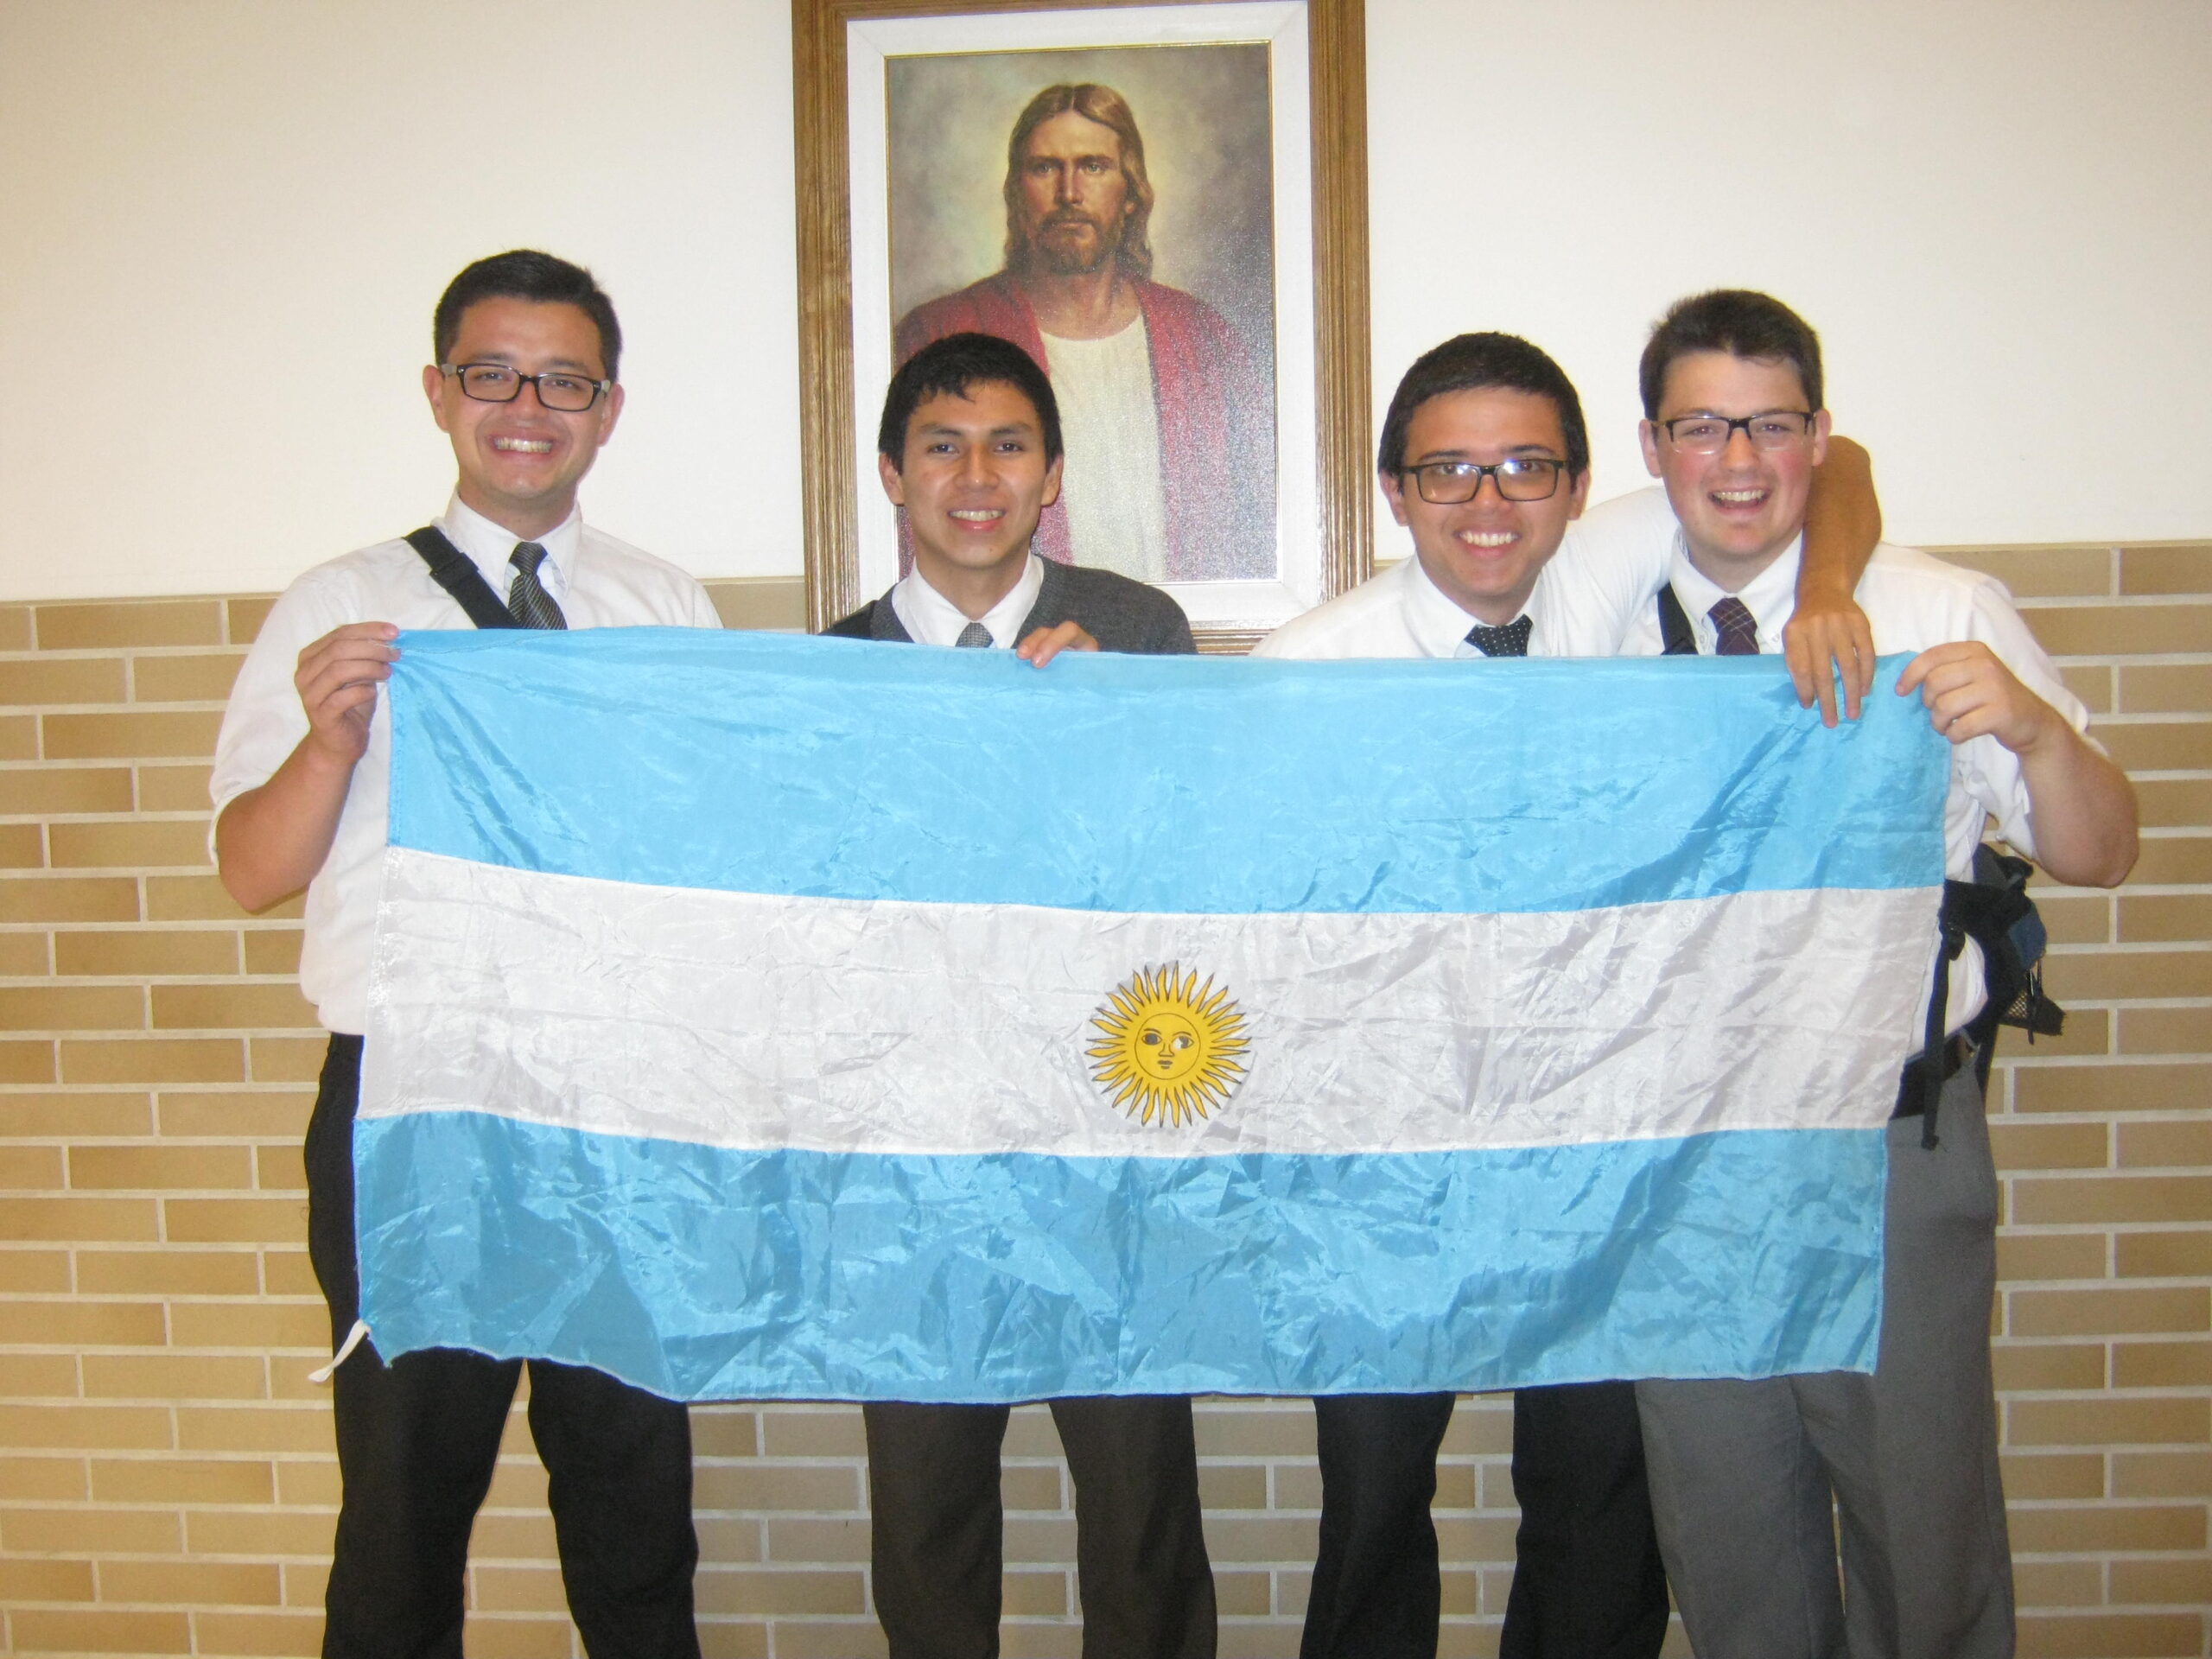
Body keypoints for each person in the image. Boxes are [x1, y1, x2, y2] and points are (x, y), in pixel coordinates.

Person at [1254, 331, 1884, 1659]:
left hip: (1598, 1140)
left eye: (1526, 468)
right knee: (1373, 1495)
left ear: (1586, 485)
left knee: (1599, 1496)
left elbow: (1837, 464)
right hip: (1389, 1148)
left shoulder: (1601, 585)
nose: (1490, 504)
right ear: (1394, 492)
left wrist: (1829, 586)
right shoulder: (1306, 673)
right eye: (1449, 472)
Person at [210, 250, 719, 1659]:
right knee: (402, 1504)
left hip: (608, 1105)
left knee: (631, 1499)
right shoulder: (344, 605)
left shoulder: (663, 609)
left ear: (607, 407)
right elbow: (251, 872)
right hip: (409, 1101)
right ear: (440, 391)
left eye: (563, 379)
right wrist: (330, 742)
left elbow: (708, 862)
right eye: (493, 373)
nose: (527, 406)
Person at [1622, 289, 2137, 1659]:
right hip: (1689, 1162)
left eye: (1774, 425)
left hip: (1890, 1144)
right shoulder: (1599, 613)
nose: (1740, 461)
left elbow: (2104, 852)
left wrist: (2031, 732)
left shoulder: (1939, 607)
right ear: (1653, 445)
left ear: (1822, 433)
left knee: (1923, 1525)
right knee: (1728, 1546)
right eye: (1703, 426)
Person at [826, 331, 1215, 1657]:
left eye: (1007, 444)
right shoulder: (829, 668)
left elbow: (1196, 869)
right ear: (892, 473)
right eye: (941, 446)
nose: (975, 475)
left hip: (1105, 1146)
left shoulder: (1138, 632)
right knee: (928, 1516)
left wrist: (1095, 731)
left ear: (1051, 470)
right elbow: (819, 920)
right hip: (913, 1153)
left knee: (1140, 1511)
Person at [893, 82, 1270, 582]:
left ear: (1131, 192)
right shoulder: (942, 332)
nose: (1069, 193)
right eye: (1045, 168)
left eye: (1093, 166)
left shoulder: (1202, 339)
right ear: (1015, 191)